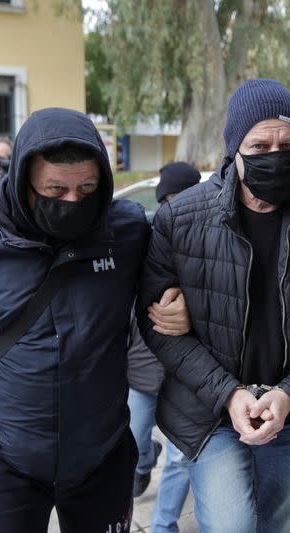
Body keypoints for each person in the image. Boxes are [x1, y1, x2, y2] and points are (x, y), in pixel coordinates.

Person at [0, 108, 188, 533]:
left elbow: (169, 282)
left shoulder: (126, 230)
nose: (73, 202)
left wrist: (177, 302)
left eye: (88, 188)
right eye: (55, 190)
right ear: (23, 179)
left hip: (101, 458)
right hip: (0, 460)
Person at [139, 78, 290, 533]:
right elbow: (154, 326)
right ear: (234, 149)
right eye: (259, 144)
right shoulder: (180, 219)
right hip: (210, 411)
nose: (275, 154)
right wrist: (228, 393)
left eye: (288, 144)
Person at [127, 161, 201, 501]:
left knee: (181, 459)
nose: (177, 205)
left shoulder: (212, 242)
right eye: (169, 197)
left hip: (187, 375)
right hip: (141, 368)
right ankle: (143, 463)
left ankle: (164, 525)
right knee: (133, 439)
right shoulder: (139, 240)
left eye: (184, 196)